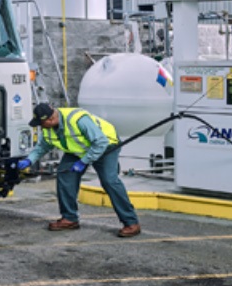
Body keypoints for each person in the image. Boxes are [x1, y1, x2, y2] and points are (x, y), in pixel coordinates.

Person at [18, 102, 141, 238]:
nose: (40, 127)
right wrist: (29, 159)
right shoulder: (48, 128)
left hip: (106, 146)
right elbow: (42, 146)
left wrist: (83, 162)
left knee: (109, 181)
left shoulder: (78, 119)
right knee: (65, 176)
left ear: (51, 119)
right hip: (78, 150)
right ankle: (69, 218)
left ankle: (131, 223)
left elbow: (100, 142)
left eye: (41, 123)